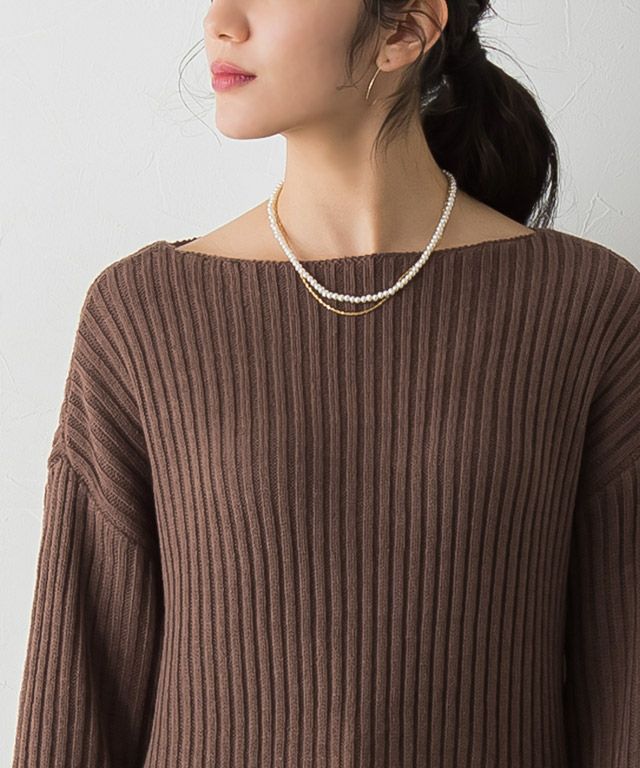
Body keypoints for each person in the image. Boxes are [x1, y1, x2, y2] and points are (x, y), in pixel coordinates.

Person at [11, 0, 639, 766]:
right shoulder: (143, 315)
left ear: (405, 29)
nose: (220, 21)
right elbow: (80, 689)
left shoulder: (587, 307)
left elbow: (624, 688)